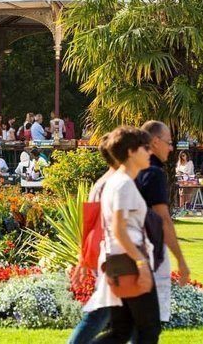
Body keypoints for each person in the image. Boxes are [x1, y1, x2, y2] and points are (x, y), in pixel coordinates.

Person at [91, 126, 161, 344]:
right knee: (148, 330)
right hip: (130, 261)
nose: (149, 152)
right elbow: (119, 229)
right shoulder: (123, 185)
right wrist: (141, 264)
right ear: (131, 151)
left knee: (121, 331)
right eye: (145, 148)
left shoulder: (116, 182)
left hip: (119, 260)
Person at [136, 120, 190, 325]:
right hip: (149, 251)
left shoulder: (130, 169)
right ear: (155, 141)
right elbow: (164, 220)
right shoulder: (153, 172)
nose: (171, 147)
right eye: (168, 142)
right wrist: (181, 261)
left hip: (126, 250)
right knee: (149, 325)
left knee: (124, 326)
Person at [68, 134, 118, 344]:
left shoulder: (101, 183)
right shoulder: (114, 183)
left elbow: (87, 224)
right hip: (112, 254)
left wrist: (84, 258)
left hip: (104, 253)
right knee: (102, 313)